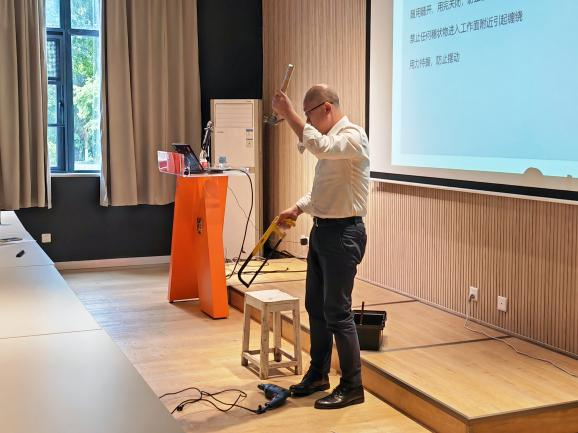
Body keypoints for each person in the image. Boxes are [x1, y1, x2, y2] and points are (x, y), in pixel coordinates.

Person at [272, 84, 369, 409]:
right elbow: (322, 190)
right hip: (323, 231)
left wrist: (288, 114)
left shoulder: (352, 136)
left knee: (338, 312)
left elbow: (320, 146)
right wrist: (298, 208)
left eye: (310, 115)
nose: (309, 122)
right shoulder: (332, 145)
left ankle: (353, 386)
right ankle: (318, 375)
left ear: (326, 108)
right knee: (315, 306)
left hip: (344, 233)